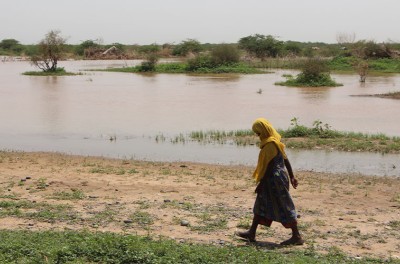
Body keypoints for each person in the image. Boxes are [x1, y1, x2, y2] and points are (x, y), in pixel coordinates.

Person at [235, 118, 304, 245]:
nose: (257, 135)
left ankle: (296, 236)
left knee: (284, 205)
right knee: (261, 203)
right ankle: (252, 233)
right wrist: (292, 176)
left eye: (259, 132)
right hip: (279, 177)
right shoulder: (275, 141)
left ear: (265, 130)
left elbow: (268, 168)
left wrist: (261, 184)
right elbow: (285, 159)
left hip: (274, 179)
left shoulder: (270, 145)